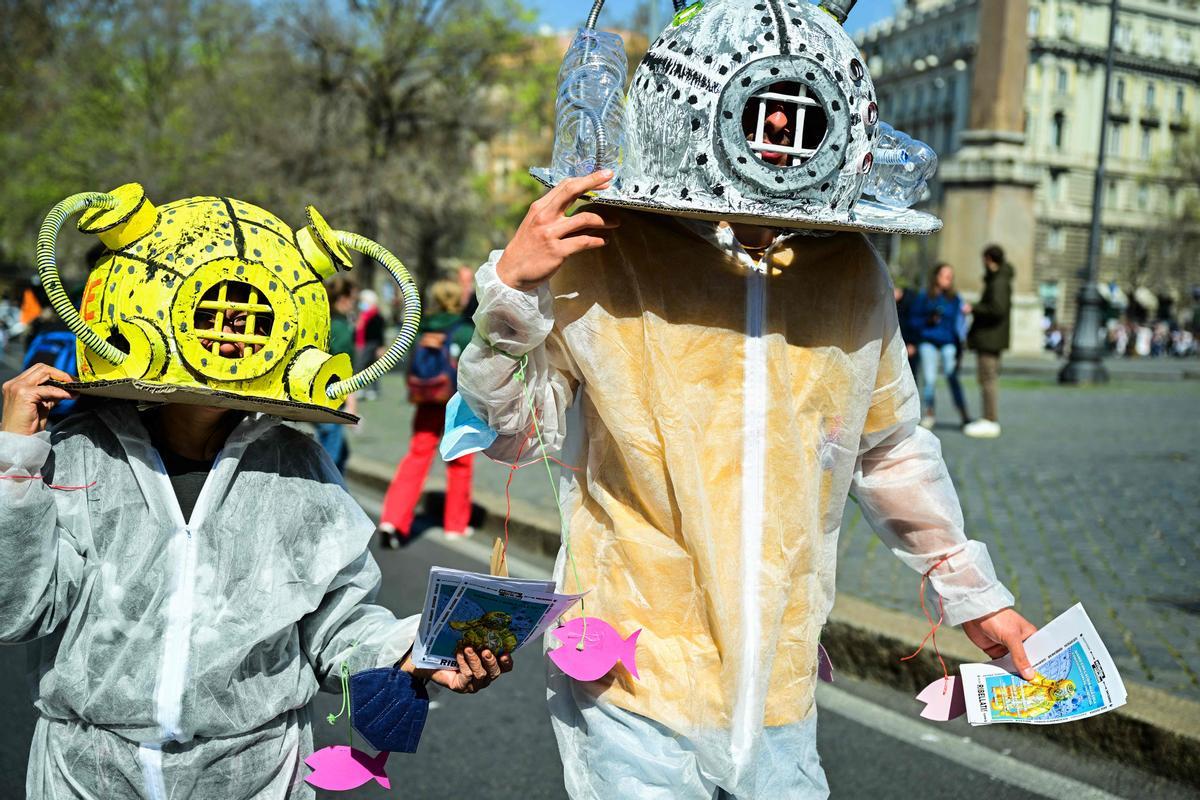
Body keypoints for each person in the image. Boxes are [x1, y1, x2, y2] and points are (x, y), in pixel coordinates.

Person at [456, 2, 1037, 797]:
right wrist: (510, 301)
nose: (776, 142)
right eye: (763, 117)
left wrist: (973, 594)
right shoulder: (605, 254)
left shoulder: (849, 270)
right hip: (633, 672)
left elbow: (887, 446)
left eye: (798, 123)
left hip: (778, 684)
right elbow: (515, 434)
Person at [0, 184, 512, 798]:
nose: (233, 322)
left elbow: (336, 626)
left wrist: (416, 651)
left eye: (252, 310)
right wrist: (15, 462)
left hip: (257, 779)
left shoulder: (296, 466)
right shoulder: (80, 453)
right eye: (218, 304)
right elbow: (19, 610)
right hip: (85, 777)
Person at [377, 278, 476, 547]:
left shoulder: (421, 327)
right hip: (458, 401)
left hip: (427, 397)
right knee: (460, 461)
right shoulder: (464, 330)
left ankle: (392, 518)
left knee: (417, 456)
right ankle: (455, 524)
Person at [909, 263, 971, 430]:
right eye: (944, 275)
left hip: (948, 342)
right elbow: (913, 320)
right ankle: (929, 412)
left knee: (952, 377)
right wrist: (927, 321)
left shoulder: (955, 298)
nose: (948, 279)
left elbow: (959, 325)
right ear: (936, 277)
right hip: (928, 340)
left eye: (950, 276)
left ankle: (964, 413)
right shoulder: (924, 296)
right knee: (929, 379)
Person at [964, 244, 1013, 439]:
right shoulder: (998, 279)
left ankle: (990, 419)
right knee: (986, 379)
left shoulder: (999, 281)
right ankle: (988, 418)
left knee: (988, 379)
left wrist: (975, 308)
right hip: (990, 337)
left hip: (990, 338)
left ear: (989, 259)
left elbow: (997, 308)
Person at [315, 274, 359, 473]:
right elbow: (345, 369)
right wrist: (351, 404)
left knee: (340, 453)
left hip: (317, 393)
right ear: (343, 299)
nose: (353, 304)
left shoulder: (320, 321)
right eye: (352, 300)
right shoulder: (341, 328)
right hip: (333, 398)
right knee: (330, 460)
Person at [355, 289, 386, 400]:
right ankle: (363, 389)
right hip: (365, 344)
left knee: (366, 367)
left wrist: (381, 347)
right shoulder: (363, 316)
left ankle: (372, 390)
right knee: (367, 367)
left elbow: (380, 334)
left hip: (372, 345)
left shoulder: (376, 316)